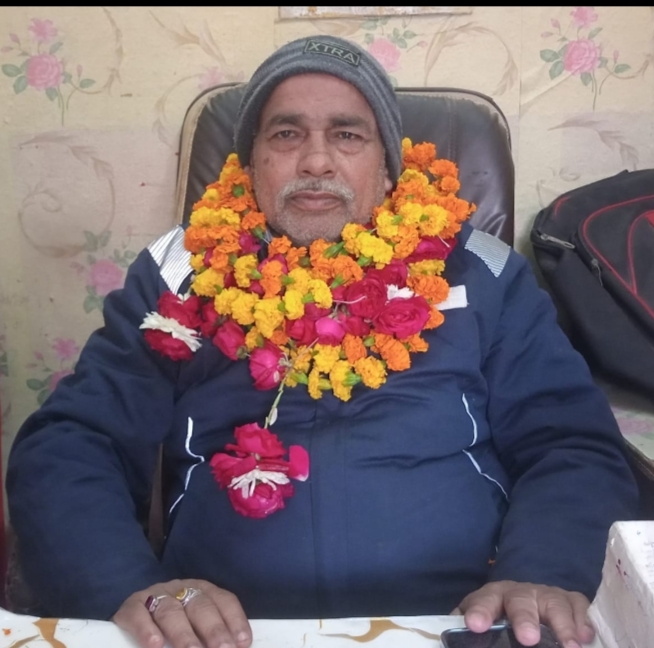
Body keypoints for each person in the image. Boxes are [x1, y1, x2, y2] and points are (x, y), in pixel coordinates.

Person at [6, 34, 637, 648]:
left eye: (347, 135)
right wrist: (127, 587)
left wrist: (539, 571)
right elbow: (71, 445)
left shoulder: (482, 272)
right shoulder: (182, 272)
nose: (315, 161)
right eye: (286, 134)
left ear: (387, 168)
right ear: (251, 163)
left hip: (455, 622)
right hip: (223, 635)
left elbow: (571, 443)